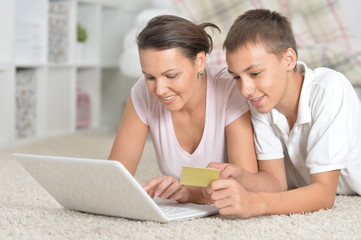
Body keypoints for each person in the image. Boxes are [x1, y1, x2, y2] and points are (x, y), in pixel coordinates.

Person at [205, 9, 361, 218]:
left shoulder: (329, 89)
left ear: (288, 59)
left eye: (255, 73)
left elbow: (324, 194)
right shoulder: (262, 102)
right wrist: (241, 177)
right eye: (237, 77)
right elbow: (276, 183)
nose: (245, 89)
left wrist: (256, 203)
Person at [108, 15, 257, 204]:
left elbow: (244, 187)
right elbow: (116, 177)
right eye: (150, 77)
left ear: (199, 62)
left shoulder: (230, 90)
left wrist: (189, 193)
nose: (159, 90)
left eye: (171, 75)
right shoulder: (142, 92)